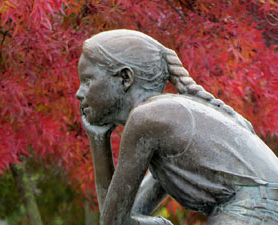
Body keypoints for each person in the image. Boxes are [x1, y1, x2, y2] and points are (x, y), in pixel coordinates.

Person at [75, 29, 278, 225]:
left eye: (87, 80)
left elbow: (113, 222)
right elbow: (121, 214)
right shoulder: (166, 125)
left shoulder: (147, 118)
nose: (79, 93)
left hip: (257, 209)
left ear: (125, 78)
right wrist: (98, 139)